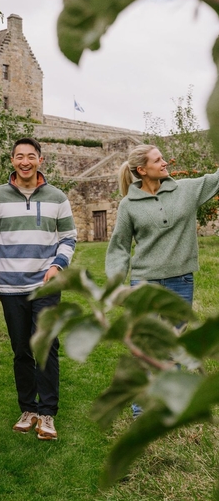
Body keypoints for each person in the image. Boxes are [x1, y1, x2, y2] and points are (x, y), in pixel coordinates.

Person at [105, 144, 219, 417]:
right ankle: (141, 413)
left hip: (180, 281)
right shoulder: (129, 205)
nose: (165, 162)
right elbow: (119, 246)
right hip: (145, 283)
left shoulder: (186, 190)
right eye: (158, 160)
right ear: (142, 170)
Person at [0, 137, 77, 440]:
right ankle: (29, 408)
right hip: (11, 286)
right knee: (22, 349)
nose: (25, 161)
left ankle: (48, 413)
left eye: (31, 156)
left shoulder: (57, 197)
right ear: (12, 160)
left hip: (45, 284)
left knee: (46, 347)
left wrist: (57, 265)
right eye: (19, 156)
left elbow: (69, 237)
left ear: (41, 160)